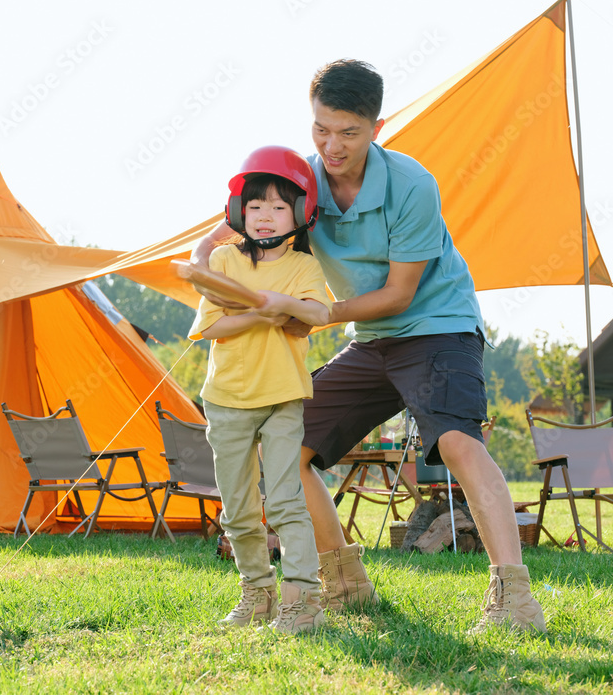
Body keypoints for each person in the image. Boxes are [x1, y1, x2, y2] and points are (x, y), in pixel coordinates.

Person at [193, 59, 545, 634]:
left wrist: (315, 313)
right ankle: (346, 583)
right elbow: (221, 235)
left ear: (376, 127)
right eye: (321, 128)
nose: (331, 145)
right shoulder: (300, 183)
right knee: (287, 448)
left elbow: (400, 294)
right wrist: (203, 266)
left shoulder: (411, 184)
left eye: (348, 132)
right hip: (372, 340)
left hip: (438, 327)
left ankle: (515, 599)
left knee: (456, 441)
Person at [189, 146, 332, 634]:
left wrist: (284, 301)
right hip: (226, 401)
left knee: (288, 501)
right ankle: (257, 593)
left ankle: (303, 600)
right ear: (238, 213)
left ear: (299, 213)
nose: (265, 217)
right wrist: (260, 314)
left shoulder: (303, 268)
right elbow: (210, 328)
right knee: (239, 507)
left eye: (277, 206)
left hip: (283, 399)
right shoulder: (225, 261)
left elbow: (319, 314)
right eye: (255, 206)